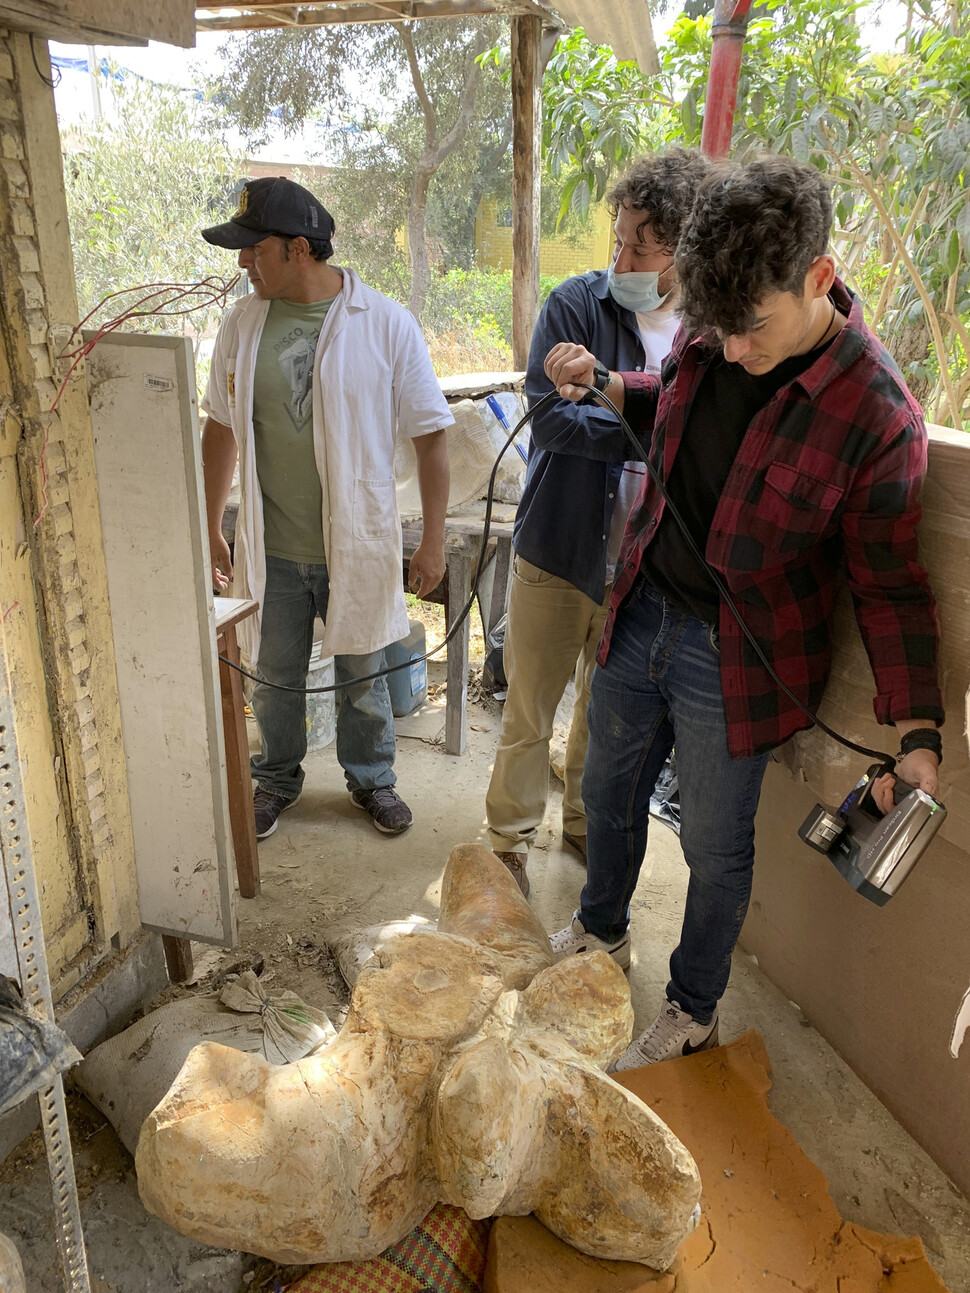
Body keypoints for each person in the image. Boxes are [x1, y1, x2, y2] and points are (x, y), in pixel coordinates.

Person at [544, 156, 943, 1067]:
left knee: (716, 849)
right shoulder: (719, 323)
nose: (731, 350)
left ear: (819, 278)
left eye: (752, 329)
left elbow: (889, 584)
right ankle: (600, 929)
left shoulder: (877, 415)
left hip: (738, 655)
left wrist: (919, 729)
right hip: (643, 599)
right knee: (607, 787)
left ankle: (692, 1009)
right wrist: (609, 383)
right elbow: (674, 409)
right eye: (714, 328)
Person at [485, 150, 712, 897]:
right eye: (617, 239)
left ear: (683, 248)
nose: (621, 258)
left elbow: (707, 431)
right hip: (558, 548)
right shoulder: (575, 305)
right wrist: (655, 431)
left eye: (640, 246)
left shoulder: (706, 330)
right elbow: (551, 423)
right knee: (529, 710)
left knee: (603, 719)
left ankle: (584, 829)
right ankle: (508, 843)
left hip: (643, 568)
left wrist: (617, 407)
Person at [200, 176, 452, 840]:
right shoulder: (243, 324)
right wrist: (207, 525)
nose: (243, 262)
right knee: (276, 677)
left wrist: (430, 539)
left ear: (297, 249)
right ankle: (276, 780)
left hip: (357, 545)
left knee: (362, 672)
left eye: (254, 249)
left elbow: (431, 436)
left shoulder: (387, 323)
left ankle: (373, 779)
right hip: (275, 546)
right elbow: (221, 427)